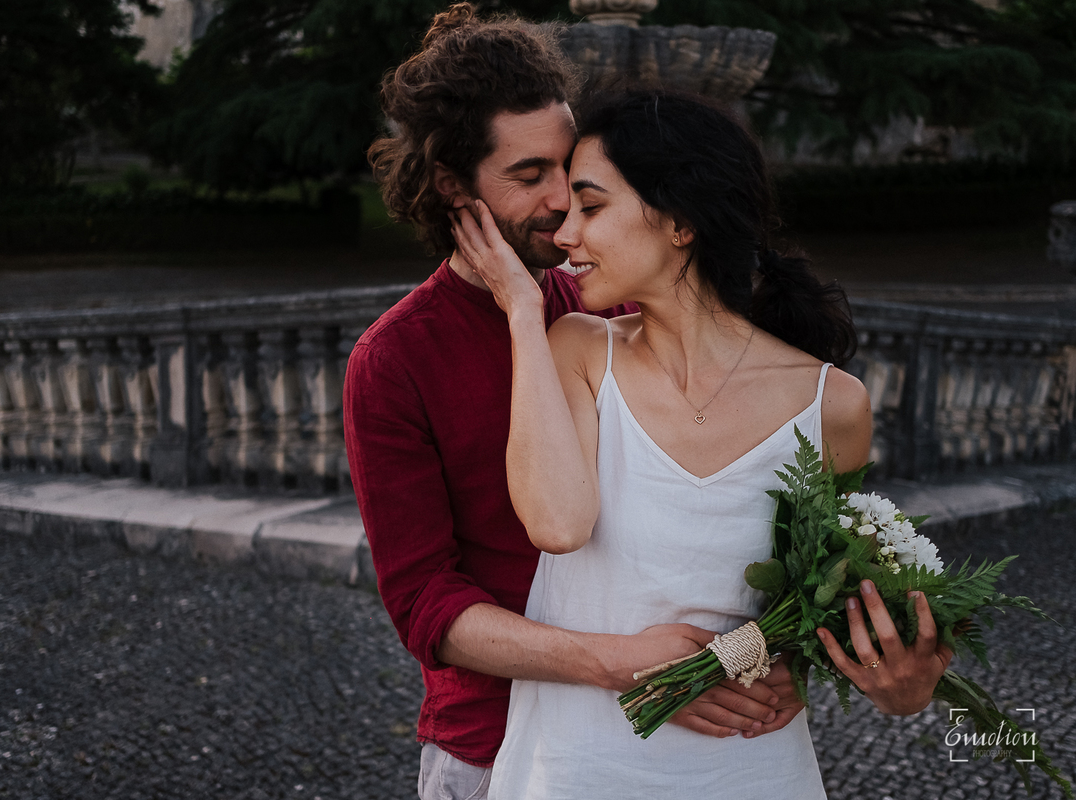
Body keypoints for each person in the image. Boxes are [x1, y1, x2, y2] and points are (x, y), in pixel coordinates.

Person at [344, 8, 804, 799]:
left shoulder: (618, 311)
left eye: (570, 168)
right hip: (493, 747)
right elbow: (425, 602)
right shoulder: (394, 361)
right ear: (453, 185)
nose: (562, 202)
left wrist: (771, 658)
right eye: (528, 177)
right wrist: (613, 662)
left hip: (674, 724)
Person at [449, 90, 955, 798]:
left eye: (591, 208)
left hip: (748, 770)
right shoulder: (576, 349)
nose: (565, 235)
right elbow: (557, 524)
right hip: (575, 767)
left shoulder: (831, 404)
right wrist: (523, 315)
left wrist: (896, 684)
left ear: (680, 222)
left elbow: (814, 602)